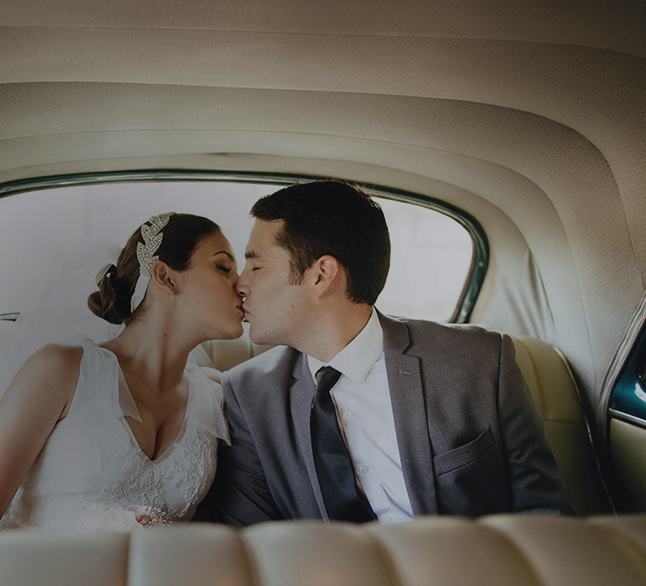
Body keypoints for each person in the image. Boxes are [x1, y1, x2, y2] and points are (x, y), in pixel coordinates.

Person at [195, 181, 574, 525]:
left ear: (321, 275)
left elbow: (545, 516)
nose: (240, 284)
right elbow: (250, 541)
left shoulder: (479, 361)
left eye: (256, 265)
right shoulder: (247, 395)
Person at [0, 213, 244, 533]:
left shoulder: (216, 396)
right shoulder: (62, 370)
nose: (241, 285)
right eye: (223, 267)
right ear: (165, 276)